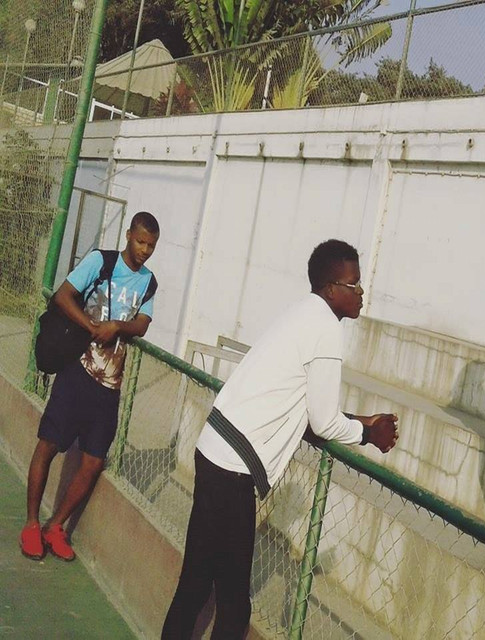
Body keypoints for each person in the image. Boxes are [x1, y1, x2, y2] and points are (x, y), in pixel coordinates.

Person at [163, 239, 399, 640]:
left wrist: (364, 422)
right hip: (232, 470)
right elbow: (323, 423)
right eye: (354, 284)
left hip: (214, 449)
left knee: (196, 583)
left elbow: (303, 412)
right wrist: (367, 434)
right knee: (233, 607)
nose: (361, 294)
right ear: (332, 289)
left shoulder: (302, 313)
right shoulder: (326, 329)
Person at [20, 211, 160, 562]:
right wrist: (92, 326)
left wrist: (117, 327)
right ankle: (32, 524)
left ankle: (55, 527)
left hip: (109, 386)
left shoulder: (149, 282)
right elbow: (63, 296)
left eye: (151, 245)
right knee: (48, 445)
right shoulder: (101, 261)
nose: (144, 250)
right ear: (128, 235)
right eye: (140, 242)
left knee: (94, 462)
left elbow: (143, 323)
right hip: (76, 372)